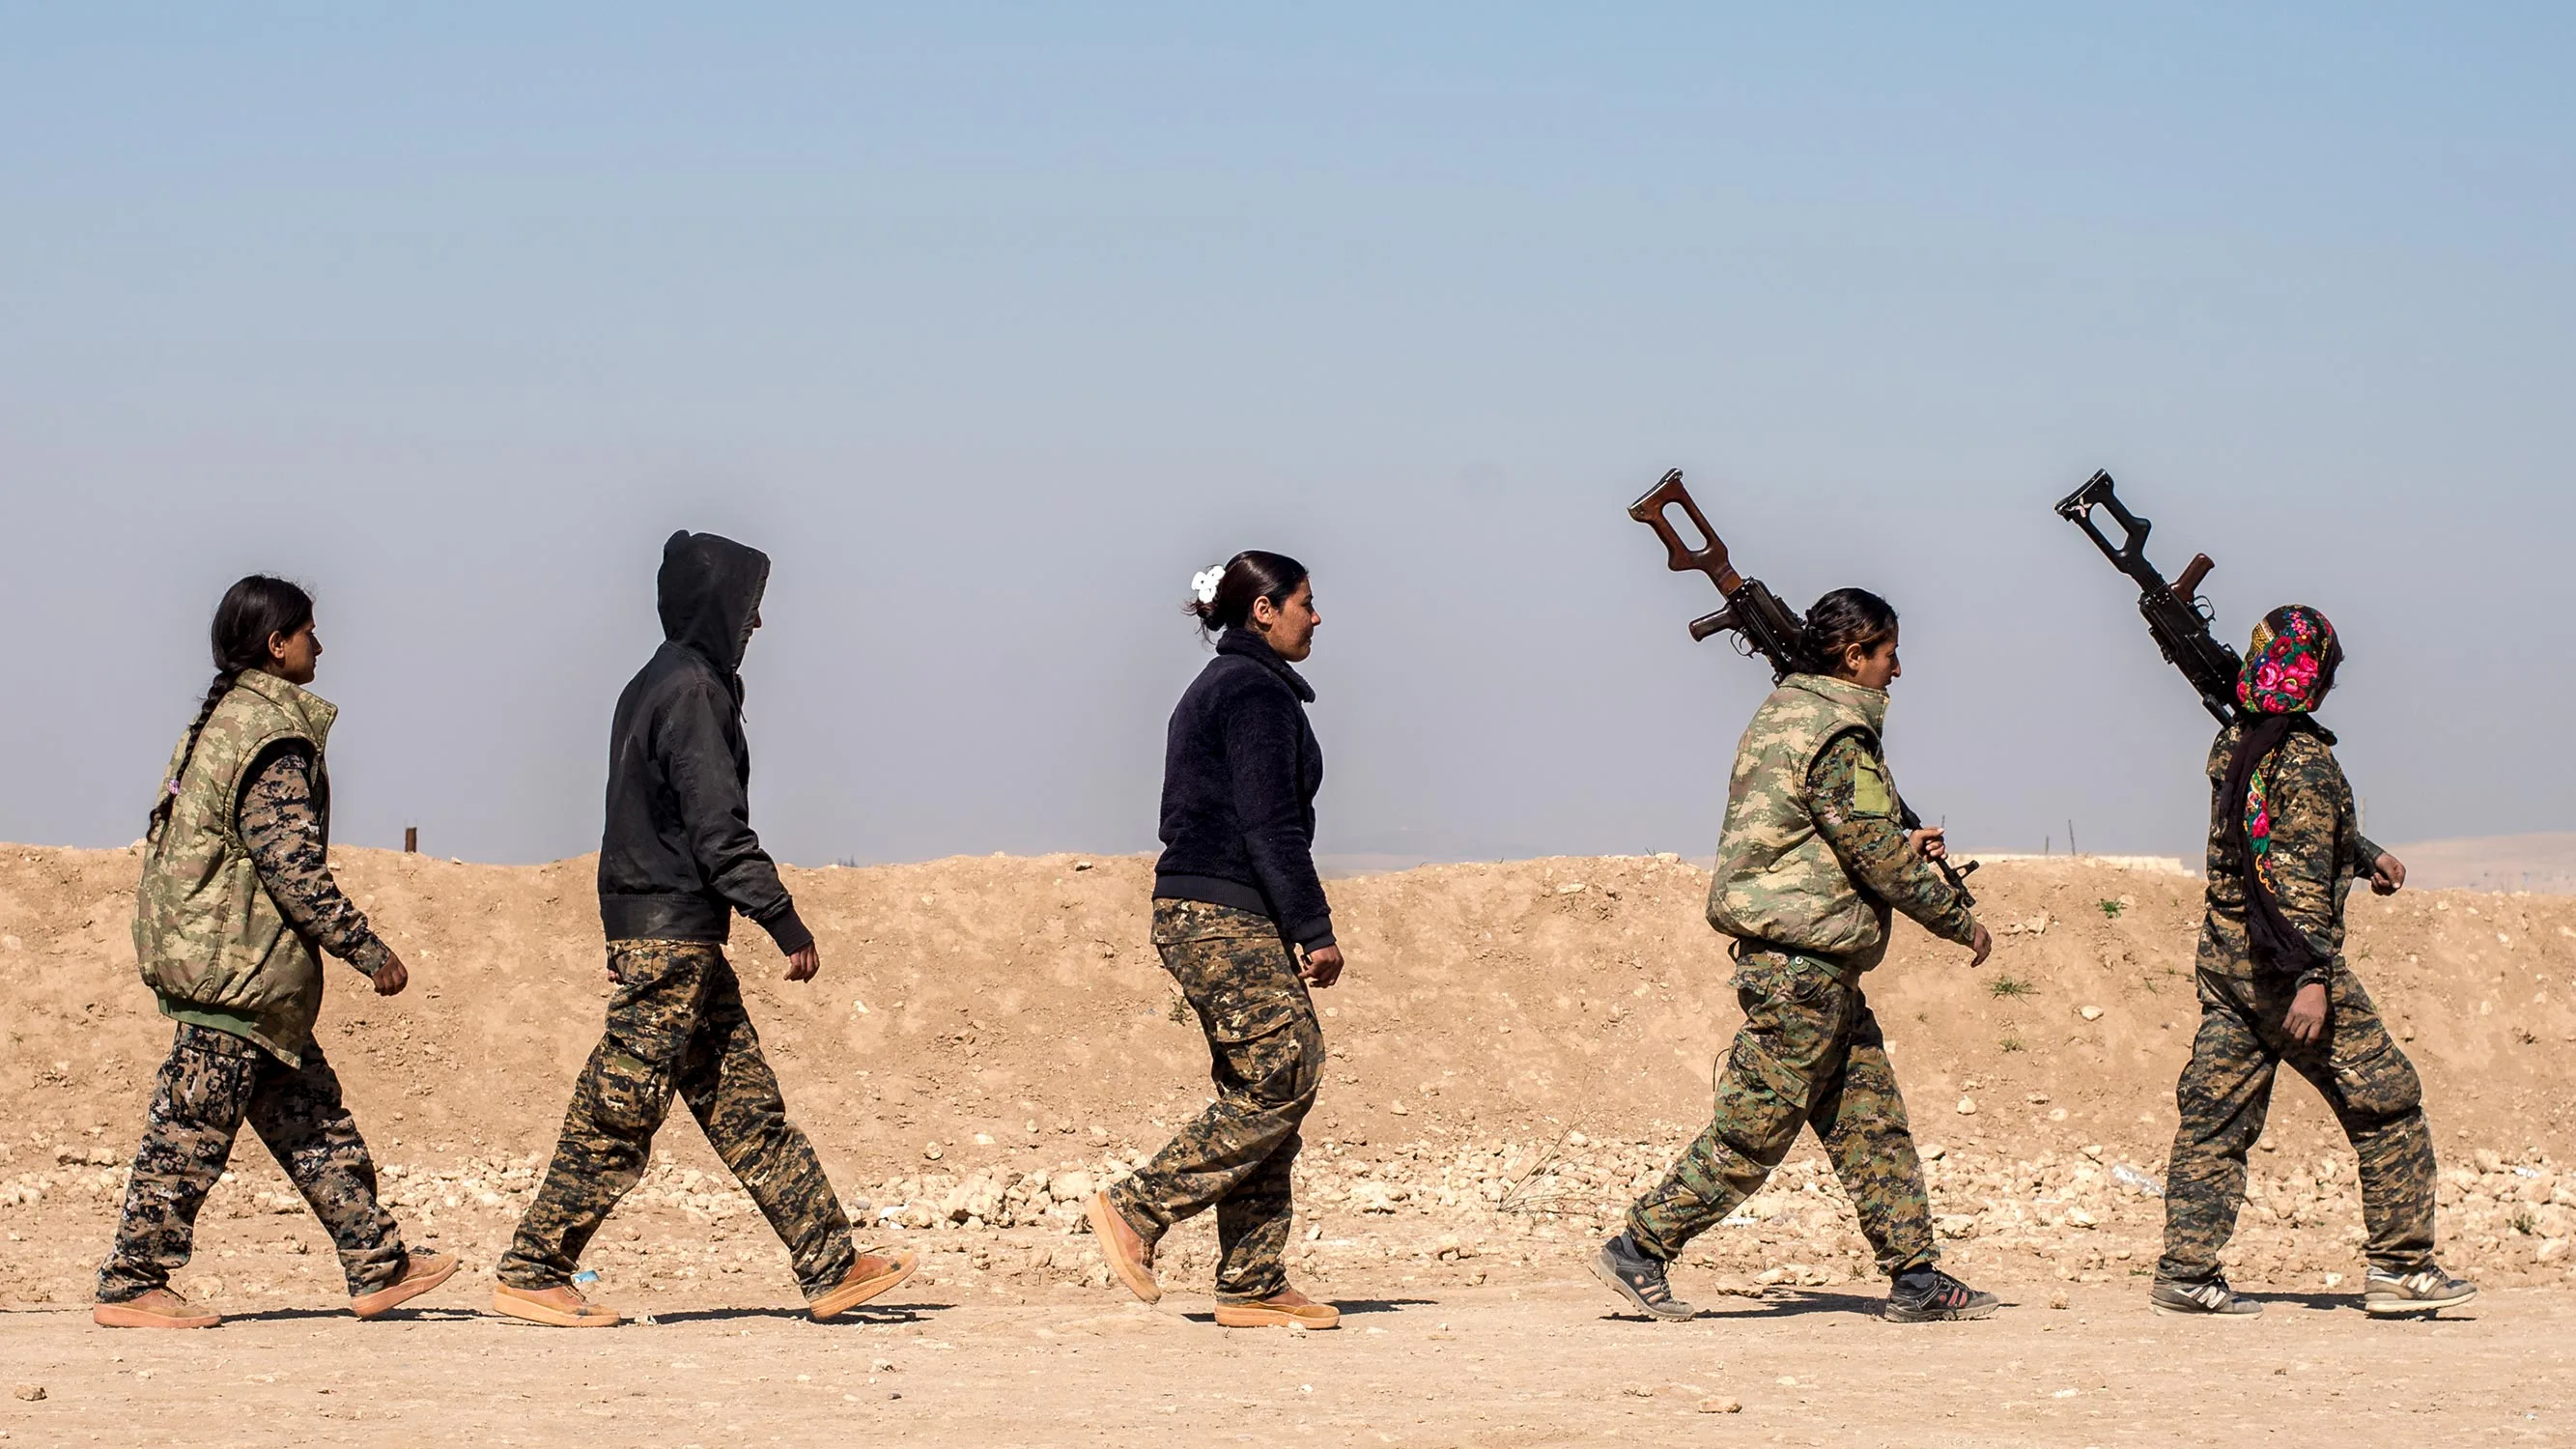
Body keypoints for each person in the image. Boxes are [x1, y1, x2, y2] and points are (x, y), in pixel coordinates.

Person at [494, 531, 916, 1327]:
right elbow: (715, 829)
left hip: (676, 933)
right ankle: (533, 1267)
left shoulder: (659, 681)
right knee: (616, 1113)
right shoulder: (691, 689)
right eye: (749, 608)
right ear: (718, 607)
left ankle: (831, 1264)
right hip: (671, 938)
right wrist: (782, 918)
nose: (757, 625)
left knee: (745, 1111)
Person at [1591, 588, 1998, 1323]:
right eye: (1887, 654)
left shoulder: (1788, 713)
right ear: (1854, 656)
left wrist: (1899, 842)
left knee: (1871, 1122)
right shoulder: (1838, 733)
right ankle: (1640, 1247)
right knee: (1753, 1129)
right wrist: (1954, 918)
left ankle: (1916, 1280)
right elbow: (1869, 849)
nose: (1896, 669)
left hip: (1821, 966)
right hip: (1799, 969)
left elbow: (1820, 835)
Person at [97, 576, 457, 1328]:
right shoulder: (268, 737)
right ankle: (133, 1284)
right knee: (187, 1133)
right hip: (234, 971)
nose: (319, 645)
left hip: (243, 971)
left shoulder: (227, 722)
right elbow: (290, 864)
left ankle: (378, 1264)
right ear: (275, 644)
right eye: (308, 632)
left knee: (314, 1120)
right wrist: (366, 949)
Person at [2151, 605, 2474, 1317]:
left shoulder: (2237, 744)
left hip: (2228, 961)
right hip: (2282, 965)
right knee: (2388, 1103)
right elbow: (2291, 877)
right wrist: (2311, 979)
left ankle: (2185, 1274)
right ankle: (2402, 1266)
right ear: (2312, 677)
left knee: (2214, 1118)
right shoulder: (2305, 761)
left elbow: (2265, 835)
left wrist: (2363, 854)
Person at [1090, 552, 1343, 1330]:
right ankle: (1137, 1208)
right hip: (1217, 909)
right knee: (1284, 1071)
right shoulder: (1249, 692)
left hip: (1224, 908)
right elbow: (1270, 824)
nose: (1317, 615)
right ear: (1263, 611)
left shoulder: (1240, 687)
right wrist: (1314, 927)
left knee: (1263, 1087)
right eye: (1305, 601)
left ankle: (1253, 1279)